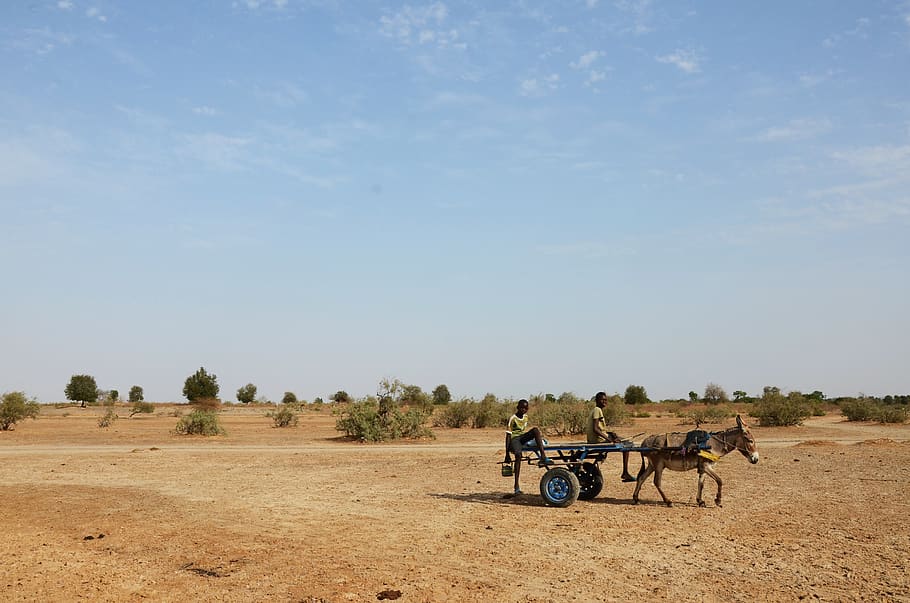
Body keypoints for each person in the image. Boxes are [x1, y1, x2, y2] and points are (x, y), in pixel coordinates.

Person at [502, 399, 553, 494]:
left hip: (522, 437)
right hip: (515, 438)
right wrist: (507, 453)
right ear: (518, 408)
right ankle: (516, 486)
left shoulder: (526, 417)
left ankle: (543, 456)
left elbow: (523, 432)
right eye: (522, 408)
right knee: (518, 455)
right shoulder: (513, 418)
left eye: (525, 408)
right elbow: (508, 436)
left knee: (535, 430)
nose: (523, 410)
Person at [586, 391, 636, 482]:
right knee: (628, 445)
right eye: (602, 400)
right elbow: (595, 429)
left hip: (597, 438)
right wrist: (609, 440)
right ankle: (625, 472)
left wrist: (611, 434)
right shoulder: (597, 410)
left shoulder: (596, 410)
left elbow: (599, 429)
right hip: (598, 439)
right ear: (597, 401)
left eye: (606, 400)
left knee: (621, 440)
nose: (605, 402)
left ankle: (625, 472)